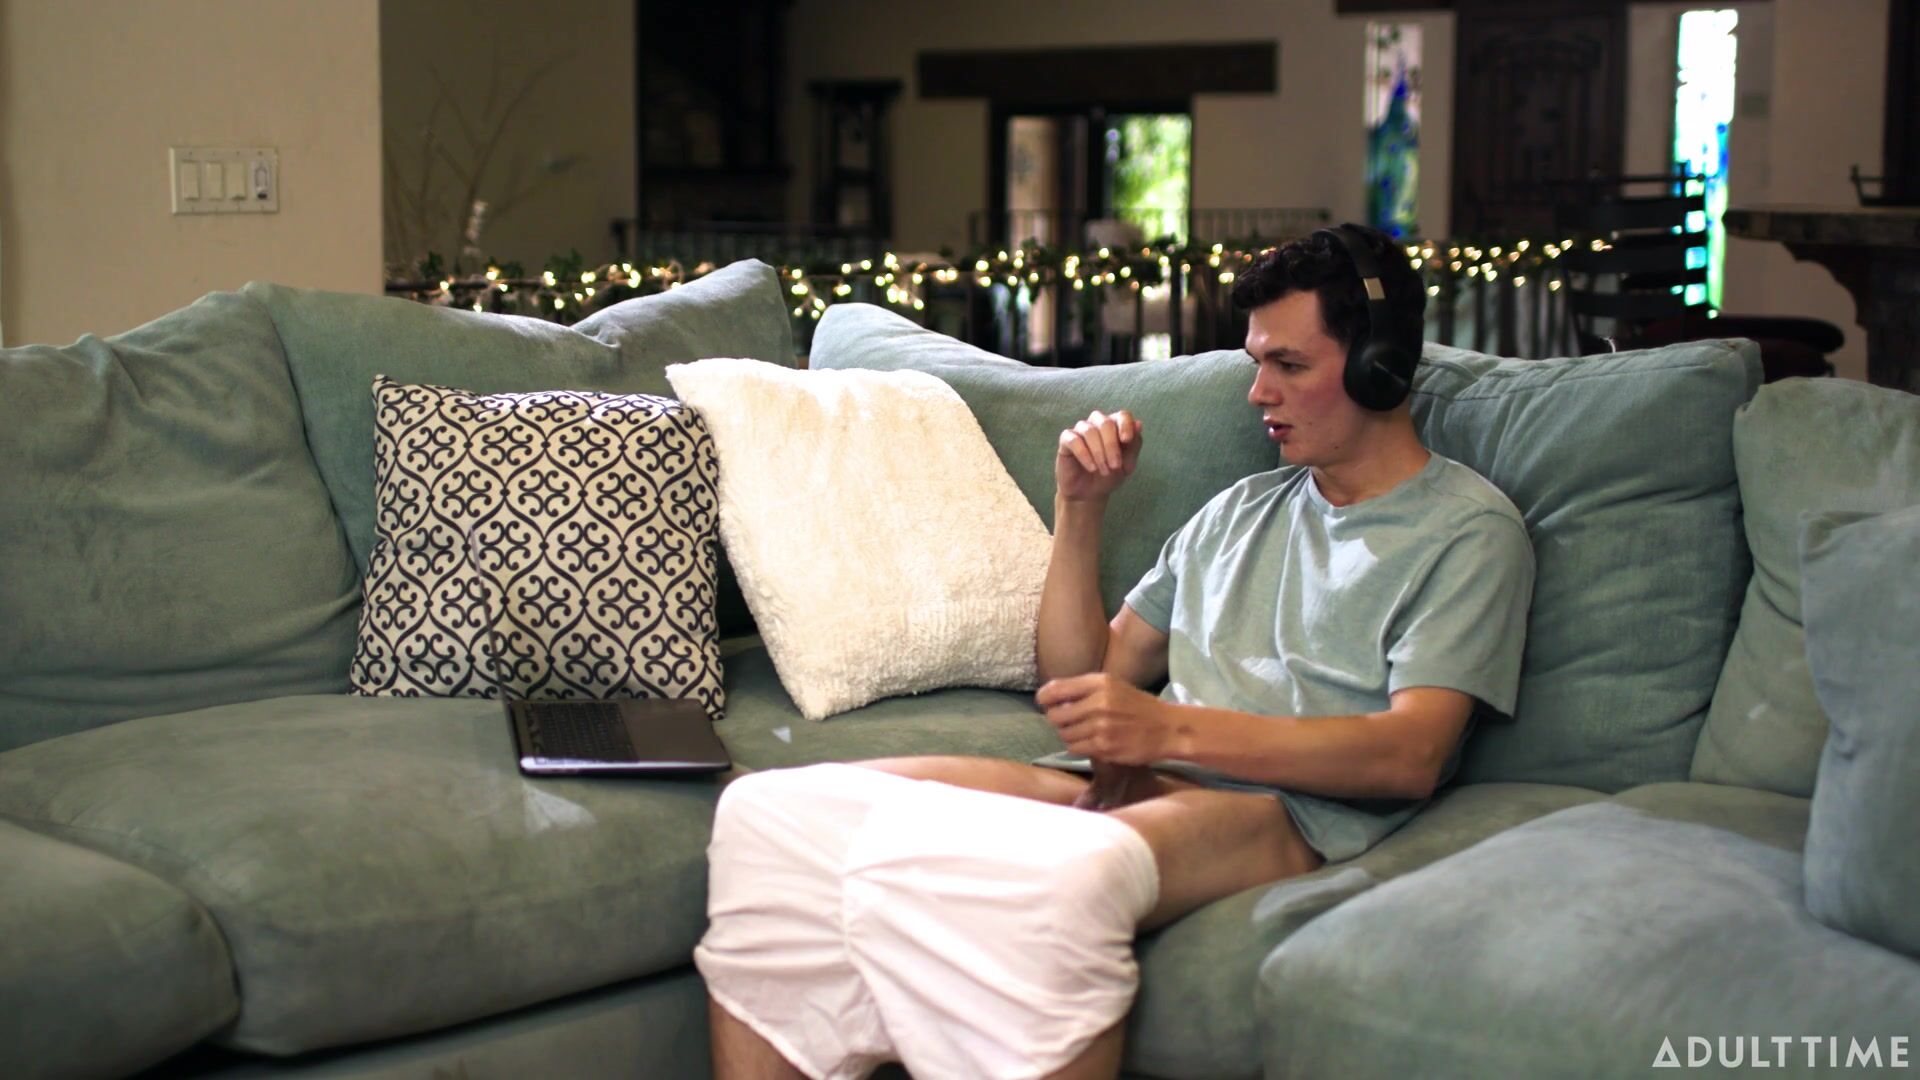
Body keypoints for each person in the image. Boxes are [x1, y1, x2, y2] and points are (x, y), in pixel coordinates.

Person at [695, 223, 1536, 1080]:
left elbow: (1411, 754)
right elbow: (1082, 676)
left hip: (1284, 812)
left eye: (1289, 365)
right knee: (774, 814)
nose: (1259, 393)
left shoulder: (1466, 530)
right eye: (1257, 363)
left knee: (1058, 880)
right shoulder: (1240, 511)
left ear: (1378, 366)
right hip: (1127, 778)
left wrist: (1168, 731)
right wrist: (1081, 507)